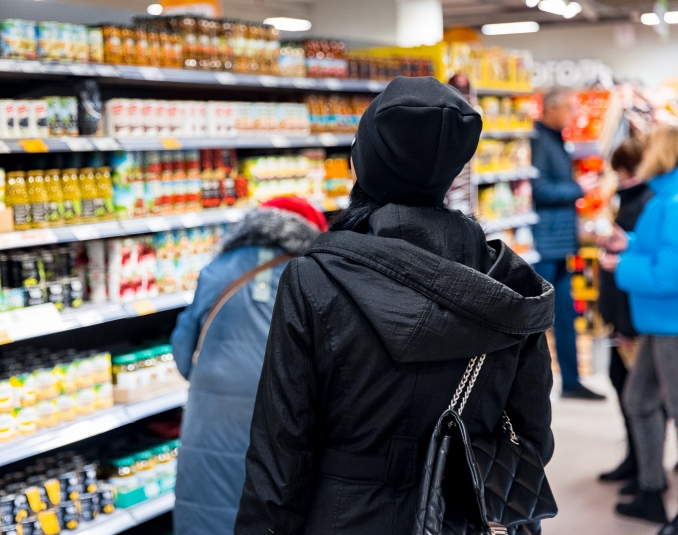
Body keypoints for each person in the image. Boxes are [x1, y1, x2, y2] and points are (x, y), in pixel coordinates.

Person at [234, 77, 556, 534]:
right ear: (455, 168)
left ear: (362, 161)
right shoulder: (508, 282)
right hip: (460, 517)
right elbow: (532, 438)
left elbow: (280, 457)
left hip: (343, 518)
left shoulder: (315, 278)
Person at [170, 196, 327, 535]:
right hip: (282, 423)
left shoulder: (217, 269)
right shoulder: (316, 275)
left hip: (210, 421)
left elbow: (183, 354)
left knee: (205, 515)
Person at [596, 125, 678, 531]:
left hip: (671, 324)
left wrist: (620, 266)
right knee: (640, 398)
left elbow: (669, 275)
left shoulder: (674, 201)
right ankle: (650, 488)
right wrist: (627, 244)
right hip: (656, 323)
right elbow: (660, 252)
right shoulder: (663, 198)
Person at [531, 89, 604, 400]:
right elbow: (539, 189)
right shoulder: (537, 141)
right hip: (543, 243)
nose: (574, 114)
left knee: (566, 314)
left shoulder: (557, 139)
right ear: (551, 109)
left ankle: (572, 381)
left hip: (561, 242)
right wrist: (578, 187)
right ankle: (530, 390)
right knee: (535, 319)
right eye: (569, 108)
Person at [597, 139, 653, 485]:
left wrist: (619, 260)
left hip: (635, 317)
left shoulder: (650, 203)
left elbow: (660, 267)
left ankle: (645, 471)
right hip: (632, 315)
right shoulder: (643, 200)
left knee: (637, 396)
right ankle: (639, 461)